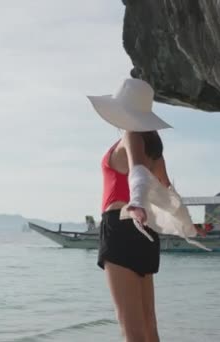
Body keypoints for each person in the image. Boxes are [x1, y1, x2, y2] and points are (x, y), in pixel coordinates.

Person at [87, 79, 203, 342]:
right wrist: (187, 225)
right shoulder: (154, 150)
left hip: (121, 225)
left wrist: (136, 203)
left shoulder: (130, 135)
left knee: (130, 326)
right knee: (148, 325)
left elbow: (137, 174)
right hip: (144, 231)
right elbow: (167, 193)